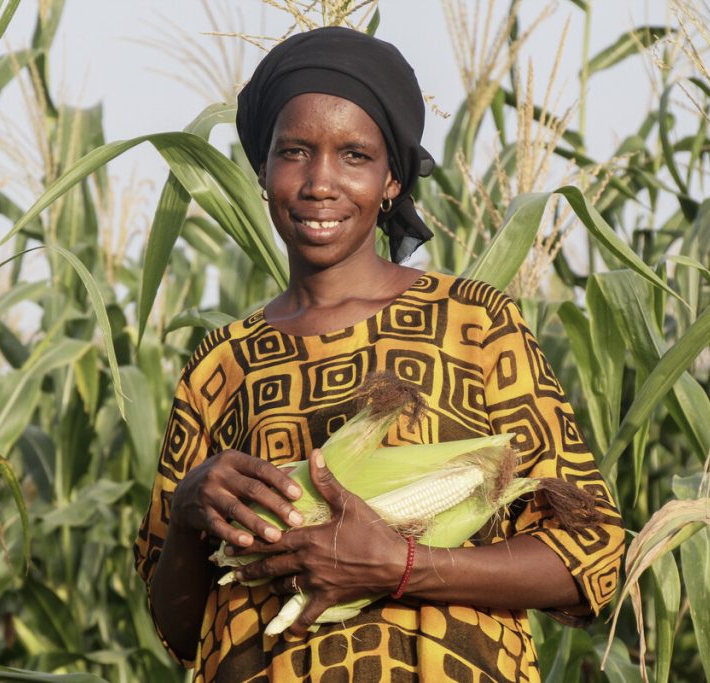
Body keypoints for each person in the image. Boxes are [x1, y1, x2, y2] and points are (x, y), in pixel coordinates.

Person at [134, 26, 624, 683]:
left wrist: (398, 565)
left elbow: (593, 555)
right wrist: (192, 505)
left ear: (393, 177)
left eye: (355, 156)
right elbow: (177, 630)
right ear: (262, 168)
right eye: (295, 151)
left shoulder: (475, 325)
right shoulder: (218, 367)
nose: (319, 182)